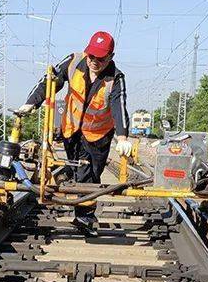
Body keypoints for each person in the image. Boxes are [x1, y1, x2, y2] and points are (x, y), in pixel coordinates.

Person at [18, 30, 133, 233]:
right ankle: (82, 212)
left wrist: (122, 137)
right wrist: (31, 103)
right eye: (91, 56)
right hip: (71, 130)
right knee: (79, 171)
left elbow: (119, 106)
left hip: (98, 136)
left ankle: (85, 218)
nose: (94, 61)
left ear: (110, 57)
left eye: (100, 58)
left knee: (89, 177)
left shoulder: (116, 78)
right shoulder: (73, 61)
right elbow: (50, 80)